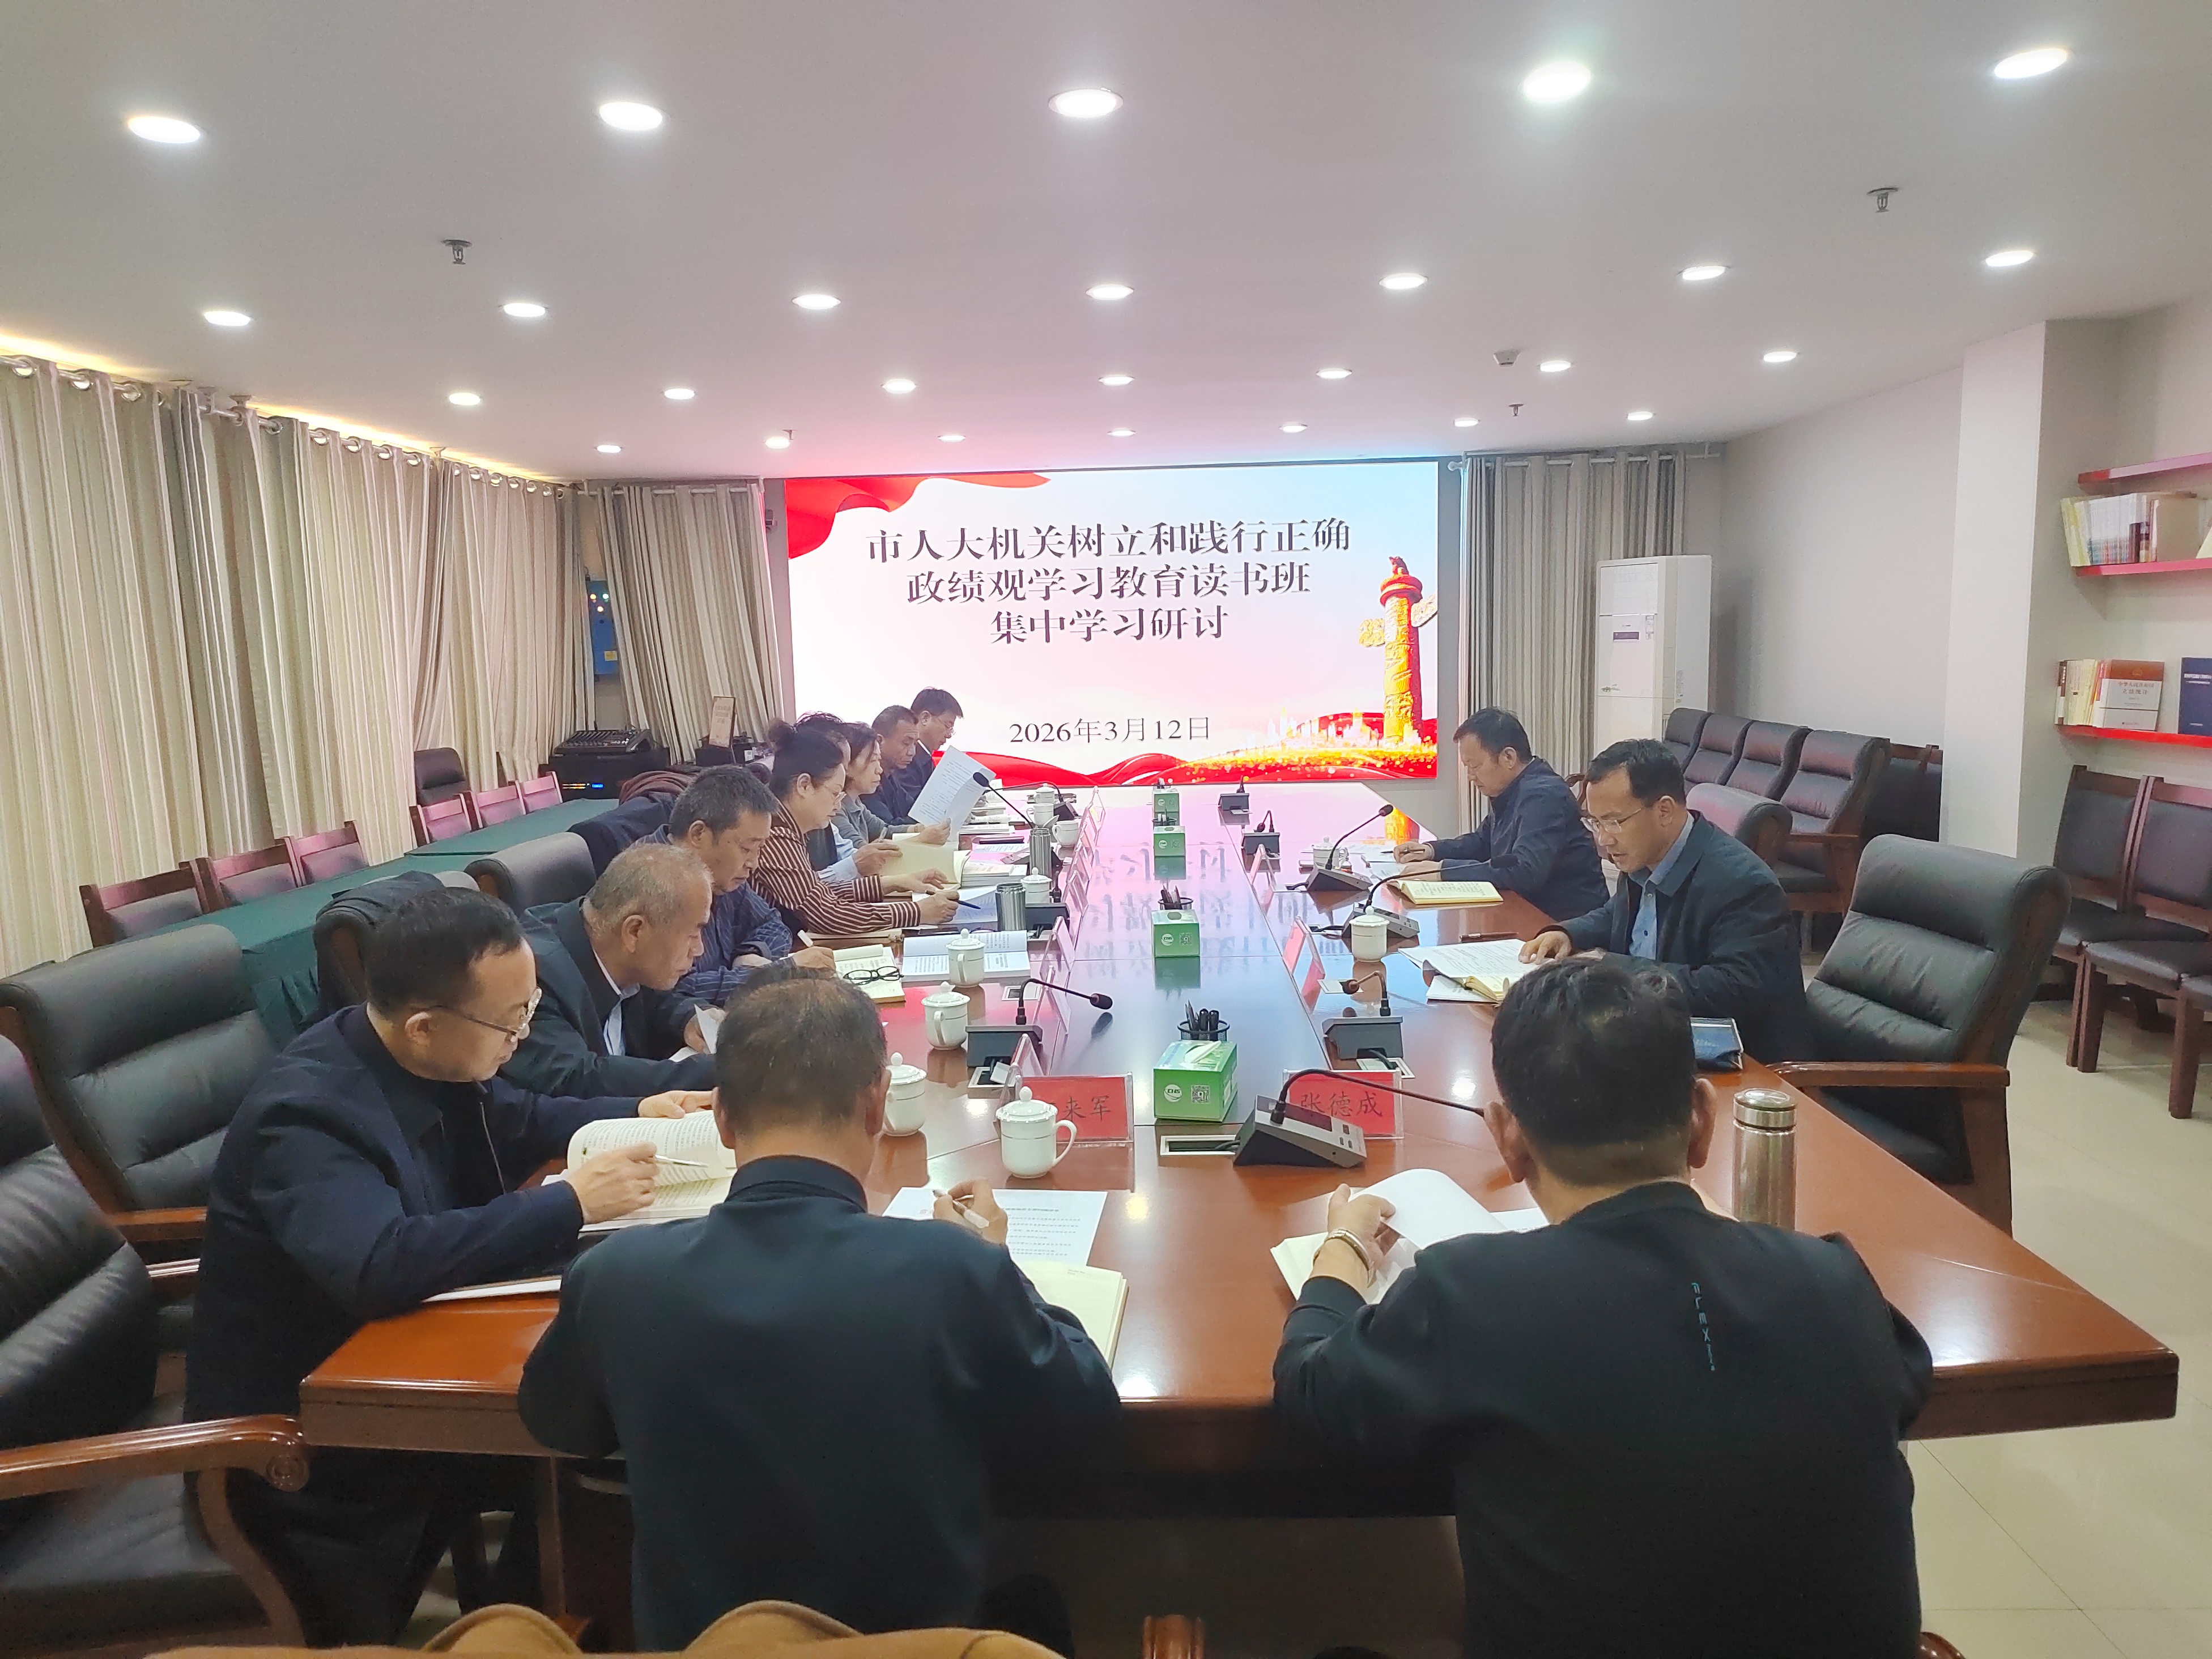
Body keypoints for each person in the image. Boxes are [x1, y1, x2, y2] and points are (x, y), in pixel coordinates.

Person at [1274, 958, 1931, 1659]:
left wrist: (1344, 1247)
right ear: (1702, 1121)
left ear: (1508, 1137)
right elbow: (1897, 1387)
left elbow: (1310, 1394)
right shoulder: (1838, 1281)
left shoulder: (1471, 1293)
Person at [518, 965, 1122, 1649]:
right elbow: (1085, 1418)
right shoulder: (950, 1269)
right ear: (876, 1105)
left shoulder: (614, 1277)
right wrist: (1001, 1263)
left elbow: (556, 1421)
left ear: (721, 1119)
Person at [185, 888, 706, 1642]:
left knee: (603, 1446)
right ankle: (531, 1624)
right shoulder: (306, 1115)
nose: (521, 1037)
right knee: (590, 1443)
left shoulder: (418, 1051)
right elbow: (379, 1262)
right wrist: (568, 1203)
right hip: (309, 1440)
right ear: (424, 1026)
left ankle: (536, 1617)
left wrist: (634, 1111)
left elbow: (518, 1117)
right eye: (510, 1022)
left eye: (529, 1009)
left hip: (399, 1365)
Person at [1520, 737, 1813, 1061]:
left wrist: (1610, 969)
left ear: (1664, 810)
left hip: (1738, 1063)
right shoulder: (1644, 854)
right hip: (1654, 1033)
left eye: (1615, 822)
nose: (1604, 839)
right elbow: (1617, 914)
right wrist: (1567, 933)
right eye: (1596, 823)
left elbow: (1732, 990)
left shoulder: (1744, 884)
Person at [504, 841, 720, 1098]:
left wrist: (688, 1018)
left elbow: (656, 1001)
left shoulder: (621, 954)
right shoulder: (533, 974)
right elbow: (577, 1079)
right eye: (693, 933)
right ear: (635, 931)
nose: (699, 949)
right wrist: (721, 1069)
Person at [640, 764, 833, 1000]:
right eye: (746, 848)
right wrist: (776, 973)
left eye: (759, 849)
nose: (754, 863)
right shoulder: (652, 884)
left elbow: (772, 923)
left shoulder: (723, 876)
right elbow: (674, 993)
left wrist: (751, 954)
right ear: (699, 834)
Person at [1394, 708, 1607, 921]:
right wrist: (1432, 851)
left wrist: (1442, 871)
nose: (1471, 777)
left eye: (1475, 766)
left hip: (1565, 923)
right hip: (1527, 912)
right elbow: (1482, 842)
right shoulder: (1513, 789)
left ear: (1508, 757)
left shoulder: (1543, 795)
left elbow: (1524, 871)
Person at [747, 722, 960, 934]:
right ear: (804, 786)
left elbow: (818, 890)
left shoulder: (786, 826)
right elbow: (826, 914)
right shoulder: (776, 834)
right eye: (834, 793)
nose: (838, 804)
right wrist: (916, 911)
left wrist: (891, 883)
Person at [863, 703, 922, 823]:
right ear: (880, 741)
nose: (912, 752)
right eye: (906, 743)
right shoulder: (865, 781)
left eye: (915, 744)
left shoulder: (891, 776)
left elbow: (915, 811)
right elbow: (887, 827)